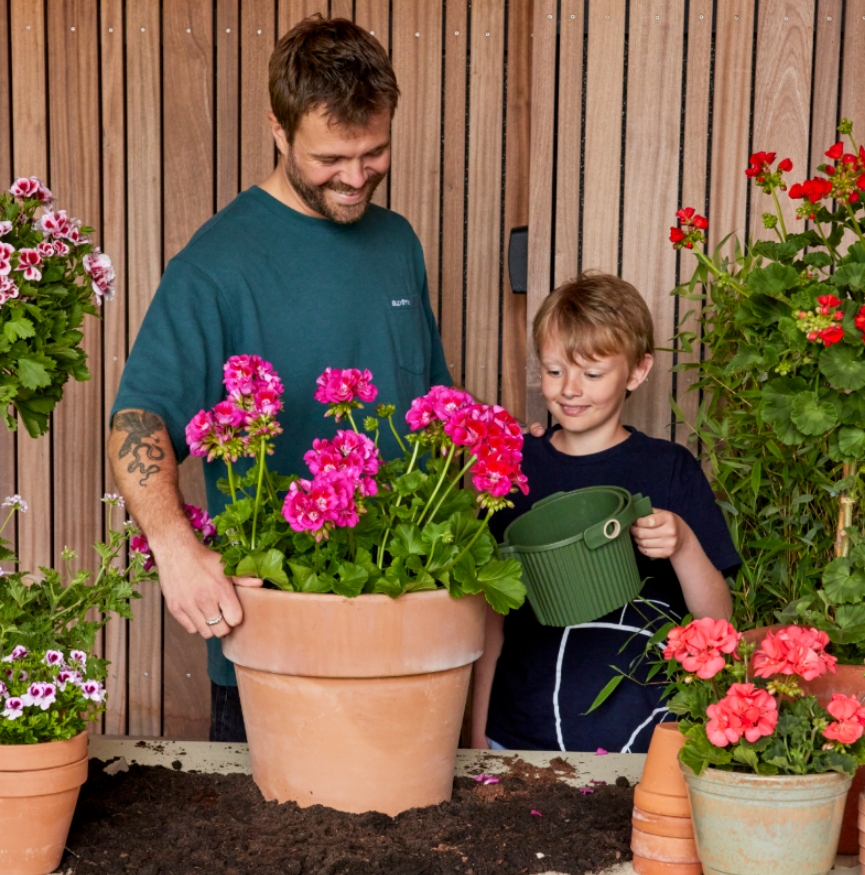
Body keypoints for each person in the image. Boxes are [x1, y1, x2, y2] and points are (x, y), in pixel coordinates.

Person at [108, 16, 451, 742]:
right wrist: (177, 549)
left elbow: (436, 419)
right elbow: (138, 420)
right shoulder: (215, 266)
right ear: (277, 127)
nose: (356, 176)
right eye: (332, 157)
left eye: (375, 151)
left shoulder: (398, 245)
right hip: (273, 645)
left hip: (406, 630)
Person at [471, 273, 739, 754]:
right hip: (519, 733)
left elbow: (718, 620)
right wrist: (477, 733)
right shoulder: (515, 467)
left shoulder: (668, 468)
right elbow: (491, 618)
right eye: (554, 371)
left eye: (592, 374)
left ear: (637, 372)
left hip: (645, 740)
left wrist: (683, 544)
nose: (570, 389)